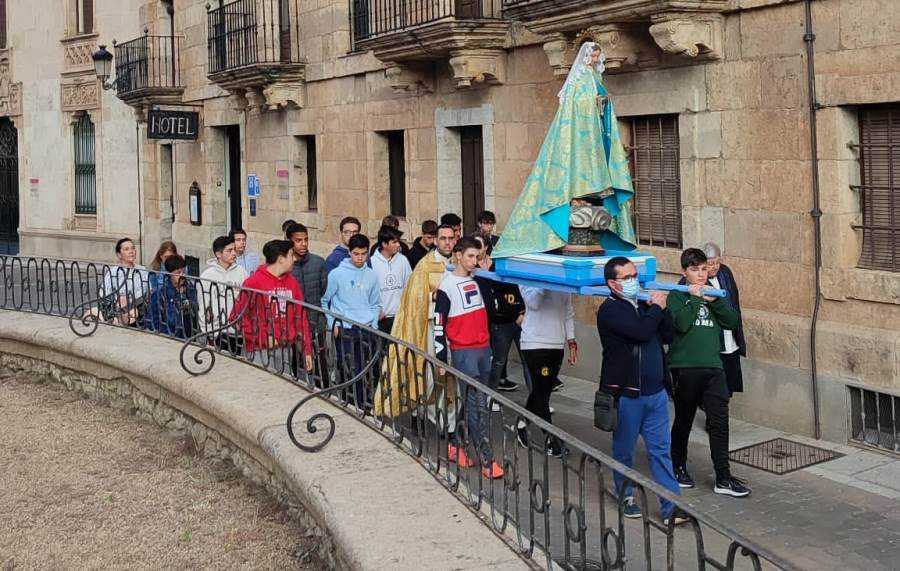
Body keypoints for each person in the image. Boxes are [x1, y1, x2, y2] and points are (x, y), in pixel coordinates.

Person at [493, 41, 636, 258]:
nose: (597, 59)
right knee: (577, 167)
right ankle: (575, 197)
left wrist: (602, 104)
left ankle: (588, 196)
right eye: (594, 55)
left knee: (595, 168)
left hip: (594, 135)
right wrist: (592, 103)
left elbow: (599, 101)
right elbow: (575, 106)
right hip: (579, 134)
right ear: (587, 56)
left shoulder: (595, 78)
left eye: (599, 56)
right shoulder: (578, 80)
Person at [597, 257, 688, 525]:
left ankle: (671, 506)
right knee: (624, 449)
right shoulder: (611, 311)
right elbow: (639, 332)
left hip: (656, 392)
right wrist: (656, 310)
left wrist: (663, 310)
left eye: (635, 275)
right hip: (627, 394)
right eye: (626, 278)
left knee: (661, 451)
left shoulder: (644, 306)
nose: (633, 281)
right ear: (613, 284)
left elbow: (667, 335)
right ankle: (625, 493)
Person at [668, 248, 750, 498]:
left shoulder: (713, 294)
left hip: (714, 366)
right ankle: (678, 466)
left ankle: (723, 477)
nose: (701, 274)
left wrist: (715, 301)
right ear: (685, 272)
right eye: (695, 269)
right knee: (684, 420)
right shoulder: (676, 295)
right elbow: (680, 323)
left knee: (719, 421)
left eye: (704, 269)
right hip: (686, 368)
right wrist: (694, 298)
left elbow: (732, 321)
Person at [374, 225, 458, 448]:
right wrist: (435, 296)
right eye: (443, 238)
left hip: (453, 329)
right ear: (435, 241)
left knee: (450, 377)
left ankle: (448, 425)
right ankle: (418, 415)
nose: (447, 242)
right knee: (427, 374)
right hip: (429, 328)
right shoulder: (424, 266)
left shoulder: (460, 262)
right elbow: (414, 300)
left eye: (451, 238)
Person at [434, 236, 504, 479]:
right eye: (471, 256)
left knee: (473, 402)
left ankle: (456, 443)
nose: (475, 261)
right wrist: (442, 357)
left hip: (483, 347)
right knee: (478, 406)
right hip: (463, 351)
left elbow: (493, 308)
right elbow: (439, 325)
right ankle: (487, 459)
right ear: (459, 256)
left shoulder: (478, 280)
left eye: (478, 256)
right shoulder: (447, 286)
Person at [231, 240, 314, 374]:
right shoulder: (253, 282)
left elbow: (300, 317)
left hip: (285, 349)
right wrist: (263, 338)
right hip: (258, 350)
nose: (294, 259)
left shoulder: (292, 283)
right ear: (281, 259)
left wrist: (307, 350)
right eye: (291, 255)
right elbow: (236, 317)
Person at [516, 285, 577, 457]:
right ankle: (550, 438)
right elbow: (533, 303)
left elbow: (568, 311)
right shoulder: (528, 278)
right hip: (534, 343)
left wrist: (571, 340)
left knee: (542, 391)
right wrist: (545, 282)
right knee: (541, 393)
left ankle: (522, 423)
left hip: (556, 343)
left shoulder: (563, 282)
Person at [321, 234, 381, 406]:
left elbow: (376, 303)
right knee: (348, 367)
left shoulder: (371, 275)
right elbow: (325, 300)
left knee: (366, 368)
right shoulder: (336, 274)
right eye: (356, 254)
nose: (360, 258)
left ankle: (363, 402)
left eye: (363, 254)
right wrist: (333, 323)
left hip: (367, 327)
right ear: (349, 252)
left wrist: (374, 323)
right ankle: (352, 402)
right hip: (345, 327)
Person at [473, 240, 527, 394]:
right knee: (498, 361)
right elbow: (496, 297)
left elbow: (522, 291)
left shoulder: (509, 267)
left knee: (527, 362)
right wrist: (515, 313)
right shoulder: (490, 269)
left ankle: (538, 403)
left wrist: (522, 312)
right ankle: (491, 396)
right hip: (501, 322)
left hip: (520, 320)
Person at [287, 222, 330, 385]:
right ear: (290, 241)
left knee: (321, 361)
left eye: (306, 239)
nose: (303, 244)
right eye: (298, 240)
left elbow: (323, 288)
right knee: (297, 361)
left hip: (315, 320)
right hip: (294, 324)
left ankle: (323, 391)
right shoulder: (286, 266)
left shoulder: (318, 262)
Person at [702, 242, 746, 397]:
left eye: (717, 262)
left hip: (730, 337)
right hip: (713, 341)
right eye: (710, 264)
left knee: (729, 380)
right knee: (714, 386)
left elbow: (734, 300)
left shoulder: (725, 272)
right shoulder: (698, 279)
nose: (714, 267)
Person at [198, 235, 249, 353]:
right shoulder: (207, 275)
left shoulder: (242, 272)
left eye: (234, 250)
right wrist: (209, 332)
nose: (234, 254)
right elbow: (204, 305)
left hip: (237, 330)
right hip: (217, 331)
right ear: (218, 254)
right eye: (229, 251)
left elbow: (246, 299)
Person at [369, 225, 412, 334]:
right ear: (384, 244)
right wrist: (376, 312)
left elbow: (409, 285)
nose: (398, 245)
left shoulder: (403, 260)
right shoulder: (372, 263)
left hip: (400, 316)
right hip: (381, 318)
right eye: (394, 242)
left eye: (398, 241)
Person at [98, 237, 150, 326]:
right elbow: (104, 292)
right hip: (116, 307)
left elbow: (147, 291)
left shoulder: (142, 270)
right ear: (119, 254)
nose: (131, 251)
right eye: (126, 249)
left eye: (133, 248)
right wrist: (118, 298)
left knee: (131, 314)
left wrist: (131, 301)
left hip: (137, 307)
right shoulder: (113, 271)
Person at [146, 254, 199, 340]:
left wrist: (183, 297)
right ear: (169, 274)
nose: (182, 276)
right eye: (178, 273)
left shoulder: (189, 287)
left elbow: (192, 311)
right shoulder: (160, 293)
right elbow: (152, 320)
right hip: (168, 338)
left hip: (189, 337)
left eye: (184, 272)